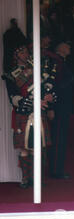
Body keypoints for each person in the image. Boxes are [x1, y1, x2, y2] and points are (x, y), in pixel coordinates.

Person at [2, 42, 54, 188]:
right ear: (16, 55)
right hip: (23, 113)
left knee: (39, 145)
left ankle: (37, 177)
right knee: (24, 147)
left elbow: (45, 87)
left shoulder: (37, 69)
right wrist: (33, 103)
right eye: (23, 52)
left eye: (26, 52)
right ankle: (25, 178)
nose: (26, 55)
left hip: (39, 112)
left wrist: (47, 98)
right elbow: (14, 98)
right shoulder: (11, 75)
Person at [48, 42, 74, 179]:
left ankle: (57, 168)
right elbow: (52, 86)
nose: (69, 47)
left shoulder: (60, 61)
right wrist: (51, 108)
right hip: (59, 106)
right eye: (67, 45)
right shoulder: (56, 62)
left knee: (60, 137)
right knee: (58, 138)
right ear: (60, 48)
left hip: (63, 106)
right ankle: (56, 170)